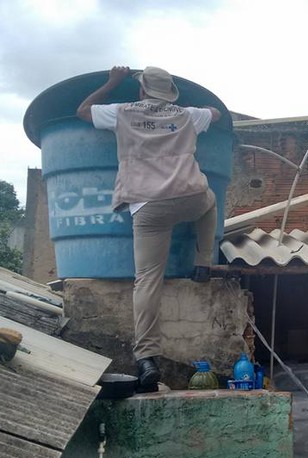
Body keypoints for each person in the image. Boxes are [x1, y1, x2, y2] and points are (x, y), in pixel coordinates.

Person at [77, 65, 222, 389]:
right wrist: (191, 112)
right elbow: (216, 112)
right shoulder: (187, 115)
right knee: (210, 202)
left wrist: (112, 83)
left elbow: (83, 111)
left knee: (147, 280)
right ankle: (203, 264)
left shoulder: (122, 113)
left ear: (142, 90)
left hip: (147, 206)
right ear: (169, 93)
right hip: (190, 196)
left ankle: (146, 358)